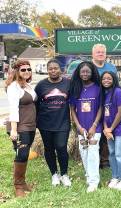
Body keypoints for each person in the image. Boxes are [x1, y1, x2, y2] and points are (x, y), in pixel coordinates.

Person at [35, 59, 71, 187]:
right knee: (49, 148)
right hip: (45, 123)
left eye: (55, 68)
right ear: (47, 70)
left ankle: (64, 174)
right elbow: (35, 103)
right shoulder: (41, 85)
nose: (53, 71)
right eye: (50, 69)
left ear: (60, 69)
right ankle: (54, 174)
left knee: (61, 147)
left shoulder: (68, 83)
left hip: (63, 122)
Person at [69, 61, 102, 192]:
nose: (85, 74)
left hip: (95, 127)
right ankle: (89, 176)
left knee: (93, 152)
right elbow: (72, 109)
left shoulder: (98, 88)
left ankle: (94, 182)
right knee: (84, 151)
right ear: (78, 72)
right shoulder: (75, 87)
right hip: (81, 127)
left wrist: (94, 126)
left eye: (87, 71)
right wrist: (78, 126)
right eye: (82, 71)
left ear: (92, 72)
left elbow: (100, 107)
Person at [5, 59, 37, 197]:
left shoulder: (28, 86)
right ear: (17, 71)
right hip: (19, 127)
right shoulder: (14, 87)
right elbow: (13, 108)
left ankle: (23, 183)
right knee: (22, 154)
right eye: (23, 70)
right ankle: (18, 186)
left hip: (30, 126)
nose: (26, 72)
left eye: (28, 69)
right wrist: (13, 129)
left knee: (24, 154)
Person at [101, 71, 121, 190]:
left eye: (109, 78)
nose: (106, 81)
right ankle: (115, 177)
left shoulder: (118, 92)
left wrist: (111, 128)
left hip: (120, 127)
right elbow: (104, 112)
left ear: (114, 79)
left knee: (120, 154)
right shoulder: (104, 93)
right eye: (104, 79)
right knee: (112, 153)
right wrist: (105, 128)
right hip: (109, 128)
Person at [92, 43, 117, 168]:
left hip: (108, 102)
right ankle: (95, 159)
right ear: (93, 54)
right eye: (98, 52)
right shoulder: (89, 67)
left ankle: (105, 159)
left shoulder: (111, 67)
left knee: (107, 129)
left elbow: (115, 85)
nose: (101, 54)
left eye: (103, 52)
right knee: (95, 130)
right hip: (93, 104)